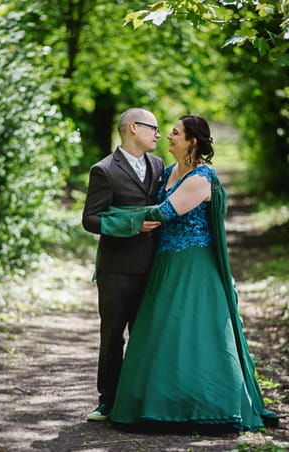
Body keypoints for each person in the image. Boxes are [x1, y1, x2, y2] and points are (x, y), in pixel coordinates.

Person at [107, 115, 278, 430]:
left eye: (174, 133)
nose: (168, 137)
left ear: (192, 141)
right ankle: (153, 404)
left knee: (192, 332)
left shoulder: (201, 179)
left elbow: (163, 213)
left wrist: (110, 218)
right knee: (158, 333)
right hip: (164, 263)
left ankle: (202, 407)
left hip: (194, 265)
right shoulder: (169, 171)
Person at [82, 108, 164, 421]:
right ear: (133, 128)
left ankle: (141, 399)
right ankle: (107, 400)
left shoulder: (158, 165)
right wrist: (132, 222)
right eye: (153, 128)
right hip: (116, 269)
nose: (158, 134)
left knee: (146, 335)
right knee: (113, 335)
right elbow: (90, 219)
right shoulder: (103, 169)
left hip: (155, 265)